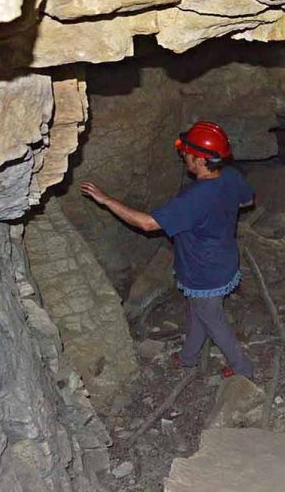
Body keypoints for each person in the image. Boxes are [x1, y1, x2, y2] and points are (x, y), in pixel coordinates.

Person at [81, 121, 255, 378]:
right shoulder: (231, 176)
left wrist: (106, 200)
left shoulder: (193, 199)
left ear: (199, 159)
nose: (182, 155)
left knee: (212, 319)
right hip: (225, 259)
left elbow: (147, 223)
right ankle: (188, 357)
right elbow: (247, 200)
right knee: (199, 311)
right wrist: (217, 213)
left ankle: (243, 368)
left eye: (186, 152)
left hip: (203, 272)